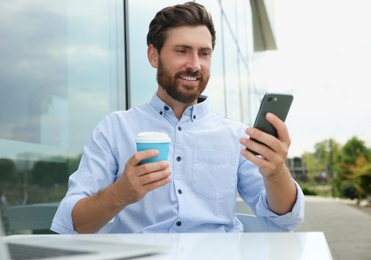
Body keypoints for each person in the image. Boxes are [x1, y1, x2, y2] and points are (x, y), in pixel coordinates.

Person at [51, 2, 304, 234]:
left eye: (204, 53)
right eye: (182, 51)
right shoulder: (115, 129)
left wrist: (276, 173)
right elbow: (70, 224)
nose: (195, 65)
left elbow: (286, 219)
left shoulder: (236, 136)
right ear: (153, 56)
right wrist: (120, 193)